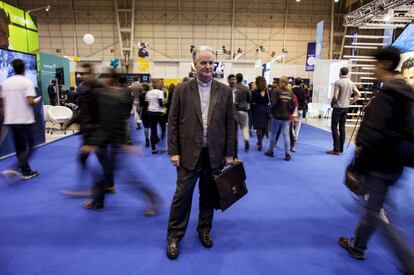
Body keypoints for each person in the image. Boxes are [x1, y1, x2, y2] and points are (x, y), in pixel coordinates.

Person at [338, 47, 414, 274]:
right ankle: (358, 245)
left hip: (379, 163)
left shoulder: (388, 94)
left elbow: (374, 135)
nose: (373, 69)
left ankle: (408, 262)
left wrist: (356, 168)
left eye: (375, 64)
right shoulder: (406, 94)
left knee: (377, 213)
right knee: (375, 208)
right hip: (396, 162)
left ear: (383, 65)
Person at [166, 45, 234, 260]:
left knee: (209, 196)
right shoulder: (182, 89)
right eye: (203, 62)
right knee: (182, 197)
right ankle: (174, 237)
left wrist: (229, 152)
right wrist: (174, 152)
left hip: (214, 155)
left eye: (210, 62)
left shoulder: (224, 91)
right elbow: (173, 122)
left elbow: (229, 124)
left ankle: (204, 230)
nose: (207, 66)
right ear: (195, 65)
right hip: (187, 155)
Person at [83, 70, 160, 214]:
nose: (102, 81)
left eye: (105, 78)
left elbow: (116, 122)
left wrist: (126, 142)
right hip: (107, 141)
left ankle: (153, 200)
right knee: (103, 173)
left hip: (115, 142)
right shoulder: (106, 95)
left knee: (128, 177)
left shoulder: (115, 96)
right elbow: (107, 121)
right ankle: (97, 201)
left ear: (112, 80)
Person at [1, 59, 40, 179]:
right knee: (31, 146)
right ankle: (15, 167)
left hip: (11, 120)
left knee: (20, 147)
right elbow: (30, 101)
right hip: (25, 120)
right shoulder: (27, 82)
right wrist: (36, 100)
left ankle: (26, 171)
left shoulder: (5, 83)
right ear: (24, 69)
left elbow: (2, 103)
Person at [327, 67, 361, 155]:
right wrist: (351, 102)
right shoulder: (351, 83)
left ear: (341, 72)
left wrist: (332, 104)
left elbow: (335, 96)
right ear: (347, 73)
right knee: (342, 128)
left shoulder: (338, 82)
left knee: (334, 127)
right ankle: (341, 149)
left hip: (338, 107)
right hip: (345, 108)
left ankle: (336, 149)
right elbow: (358, 94)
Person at [265, 76, 295, 161]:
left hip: (277, 116)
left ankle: (271, 151)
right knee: (286, 135)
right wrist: (290, 113)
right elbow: (293, 105)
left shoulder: (276, 91)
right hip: (286, 117)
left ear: (280, 82)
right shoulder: (290, 93)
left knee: (273, 134)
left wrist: (271, 112)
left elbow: (273, 104)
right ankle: (287, 154)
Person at [145, 79, 165, 154]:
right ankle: (162, 138)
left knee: (153, 130)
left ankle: (153, 148)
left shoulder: (148, 93)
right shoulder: (160, 92)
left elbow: (146, 103)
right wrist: (163, 104)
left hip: (150, 112)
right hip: (159, 113)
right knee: (163, 127)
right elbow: (160, 102)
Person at [251, 76, 270, 151]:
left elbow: (252, 102)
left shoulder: (255, 92)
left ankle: (260, 143)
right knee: (264, 127)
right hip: (266, 110)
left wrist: (252, 112)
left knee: (259, 128)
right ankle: (260, 141)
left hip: (257, 110)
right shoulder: (268, 91)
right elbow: (269, 101)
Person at [235, 73, 251, 152]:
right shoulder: (246, 88)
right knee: (244, 127)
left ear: (236, 79)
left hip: (234, 110)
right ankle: (246, 140)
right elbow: (249, 99)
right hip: (244, 110)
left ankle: (234, 144)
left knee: (234, 129)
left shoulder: (233, 88)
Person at [291, 78, 307, 149]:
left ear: (294, 82)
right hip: (300, 109)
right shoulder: (302, 90)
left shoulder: (292, 90)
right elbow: (304, 100)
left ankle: (293, 135)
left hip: (293, 108)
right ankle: (296, 137)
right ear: (301, 83)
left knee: (291, 123)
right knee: (298, 124)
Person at [228, 74, 239, 158]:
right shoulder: (225, 90)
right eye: (231, 79)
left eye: (234, 79)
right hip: (225, 117)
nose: (233, 81)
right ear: (228, 80)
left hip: (235, 117)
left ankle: (235, 156)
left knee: (234, 138)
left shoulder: (239, 91)